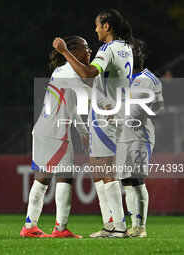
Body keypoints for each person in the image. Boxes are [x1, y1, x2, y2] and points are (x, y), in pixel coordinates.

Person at [53, 9, 134, 238]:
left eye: (98, 25)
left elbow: (89, 73)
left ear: (106, 26)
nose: (96, 30)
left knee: (106, 170)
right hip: (115, 112)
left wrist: (65, 52)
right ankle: (111, 224)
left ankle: (119, 226)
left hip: (106, 117)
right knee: (97, 169)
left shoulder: (108, 49)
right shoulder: (126, 47)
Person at [20, 36, 90, 238]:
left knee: (41, 181)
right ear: (74, 51)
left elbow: (72, 105)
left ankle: (29, 225)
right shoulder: (72, 70)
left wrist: (83, 131)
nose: (90, 52)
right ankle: (60, 229)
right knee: (65, 178)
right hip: (55, 134)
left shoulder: (60, 71)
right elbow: (90, 81)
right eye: (86, 48)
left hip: (42, 130)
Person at [117, 38, 164, 237]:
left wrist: (148, 112)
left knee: (137, 179)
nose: (132, 54)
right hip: (121, 135)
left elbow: (161, 108)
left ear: (142, 54)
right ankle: (133, 225)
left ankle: (141, 226)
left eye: (135, 50)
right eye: (129, 51)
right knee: (126, 181)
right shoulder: (121, 77)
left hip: (140, 135)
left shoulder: (150, 79)